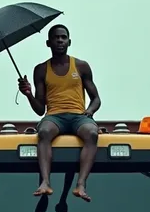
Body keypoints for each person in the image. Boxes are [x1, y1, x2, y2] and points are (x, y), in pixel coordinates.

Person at [18, 24, 101, 202]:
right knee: (44, 132)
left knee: (92, 133)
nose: (60, 40)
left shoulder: (81, 66)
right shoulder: (41, 69)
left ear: (69, 41)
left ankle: (80, 184)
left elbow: (96, 99)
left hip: (79, 116)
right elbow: (40, 109)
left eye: (63, 37)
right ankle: (46, 182)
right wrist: (28, 94)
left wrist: (89, 111)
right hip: (54, 117)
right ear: (48, 43)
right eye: (56, 38)